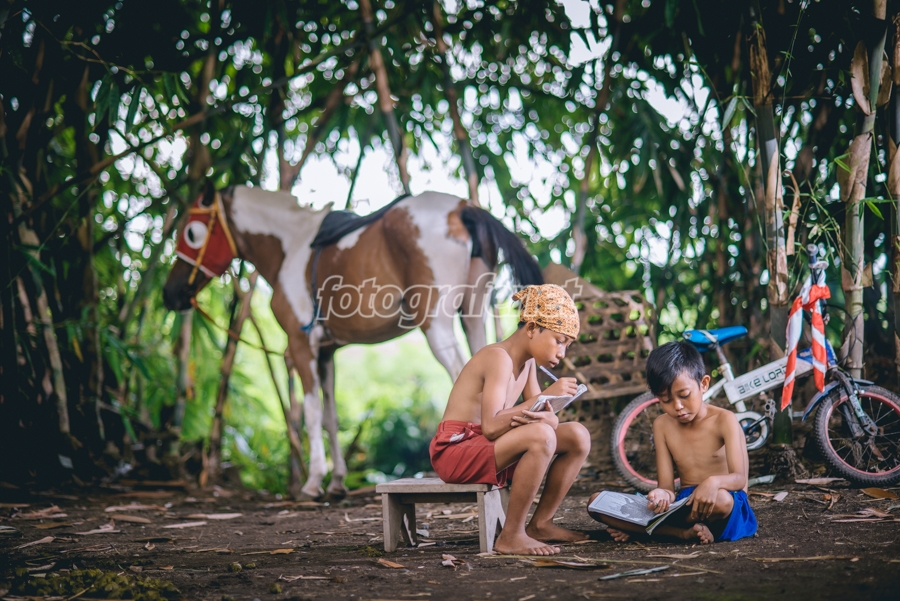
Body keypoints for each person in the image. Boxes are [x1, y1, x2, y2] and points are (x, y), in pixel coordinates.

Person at [429, 284, 592, 556]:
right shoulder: (498, 358)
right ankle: (511, 535)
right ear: (532, 328)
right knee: (541, 437)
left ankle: (540, 524)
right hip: (456, 449)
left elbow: (545, 419)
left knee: (578, 435)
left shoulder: (528, 364)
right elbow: (492, 427)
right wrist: (545, 399)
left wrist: (549, 412)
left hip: (488, 447)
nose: (562, 353)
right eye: (559, 341)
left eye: (567, 345)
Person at [590, 340, 758, 544]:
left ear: (703, 384)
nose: (677, 406)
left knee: (722, 500)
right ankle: (681, 534)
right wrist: (661, 495)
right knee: (596, 501)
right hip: (684, 505)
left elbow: (739, 479)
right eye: (666, 400)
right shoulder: (662, 425)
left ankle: (645, 530)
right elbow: (667, 488)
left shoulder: (725, 420)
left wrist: (712, 483)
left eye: (684, 395)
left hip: (724, 502)